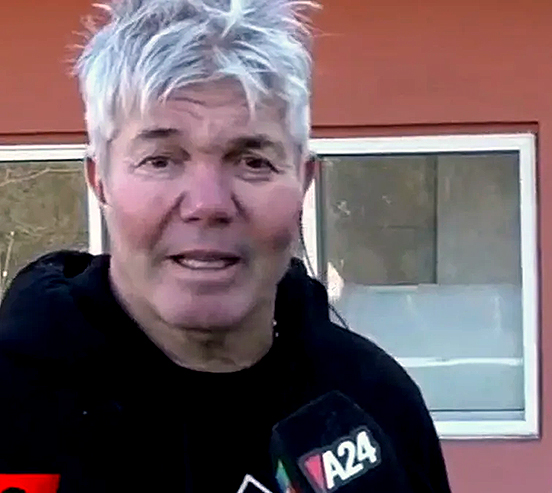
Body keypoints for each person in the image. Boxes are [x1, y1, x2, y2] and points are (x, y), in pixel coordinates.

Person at [0, 0, 452, 492]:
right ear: (99, 181)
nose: (208, 204)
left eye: (253, 161)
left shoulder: (378, 403)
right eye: (160, 160)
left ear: (303, 183)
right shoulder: (15, 405)